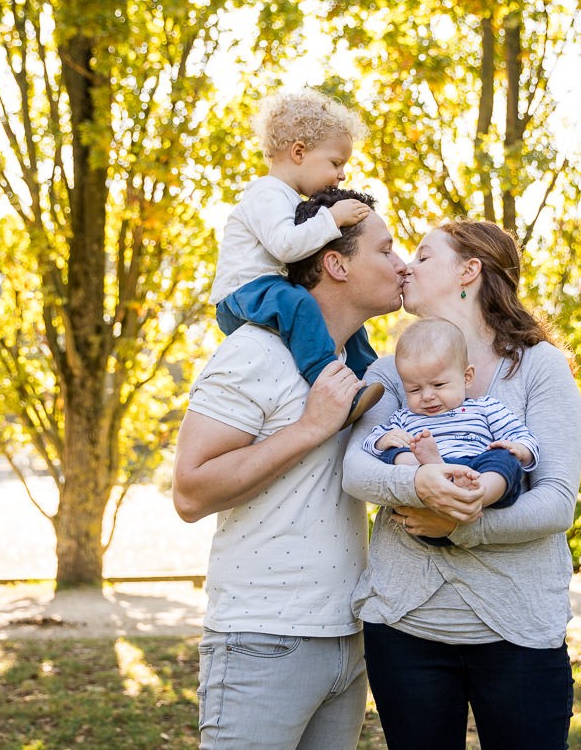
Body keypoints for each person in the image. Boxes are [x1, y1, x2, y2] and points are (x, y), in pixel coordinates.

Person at [172, 187, 408, 750]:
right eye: (386, 250)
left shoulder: (362, 368)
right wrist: (307, 428)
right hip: (262, 640)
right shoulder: (257, 351)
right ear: (335, 262)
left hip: (347, 640)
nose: (402, 265)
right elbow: (189, 491)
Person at [343, 219, 581, 750]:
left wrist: (458, 526)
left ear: (469, 272)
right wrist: (421, 484)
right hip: (405, 626)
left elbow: (555, 503)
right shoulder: (393, 372)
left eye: (424, 257)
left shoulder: (539, 368)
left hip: (518, 629)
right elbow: (357, 470)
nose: (405, 266)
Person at [210, 88, 384, 426]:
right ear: (299, 152)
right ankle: (330, 383)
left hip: (270, 291)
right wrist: (332, 219)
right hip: (242, 293)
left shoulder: (286, 197)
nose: (342, 174)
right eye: (336, 163)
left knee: (347, 324)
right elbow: (285, 246)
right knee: (301, 305)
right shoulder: (267, 193)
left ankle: (369, 379)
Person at [361, 316, 540, 546]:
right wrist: (383, 439)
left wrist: (520, 449)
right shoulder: (406, 417)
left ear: (467, 377)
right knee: (394, 453)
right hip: (429, 495)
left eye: (438, 385)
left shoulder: (484, 408)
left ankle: (474, 496)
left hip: (475, 470)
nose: (427, 396)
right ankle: (437, 469)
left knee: (505, 459)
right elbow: (369, 443)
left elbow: (526, 438)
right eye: (414, 389)